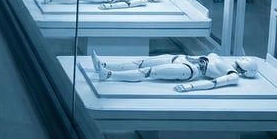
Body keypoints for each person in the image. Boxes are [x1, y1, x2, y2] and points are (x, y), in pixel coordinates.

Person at [92, 51, 260, 92]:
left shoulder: (233, 75)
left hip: (189, 70)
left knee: (148, 71)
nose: (244, 59)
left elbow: (213, 84)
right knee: (141, 62)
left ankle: (108, 74)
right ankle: (106, 65)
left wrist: (190, 87)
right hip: (183, 58)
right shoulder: (225, 62)